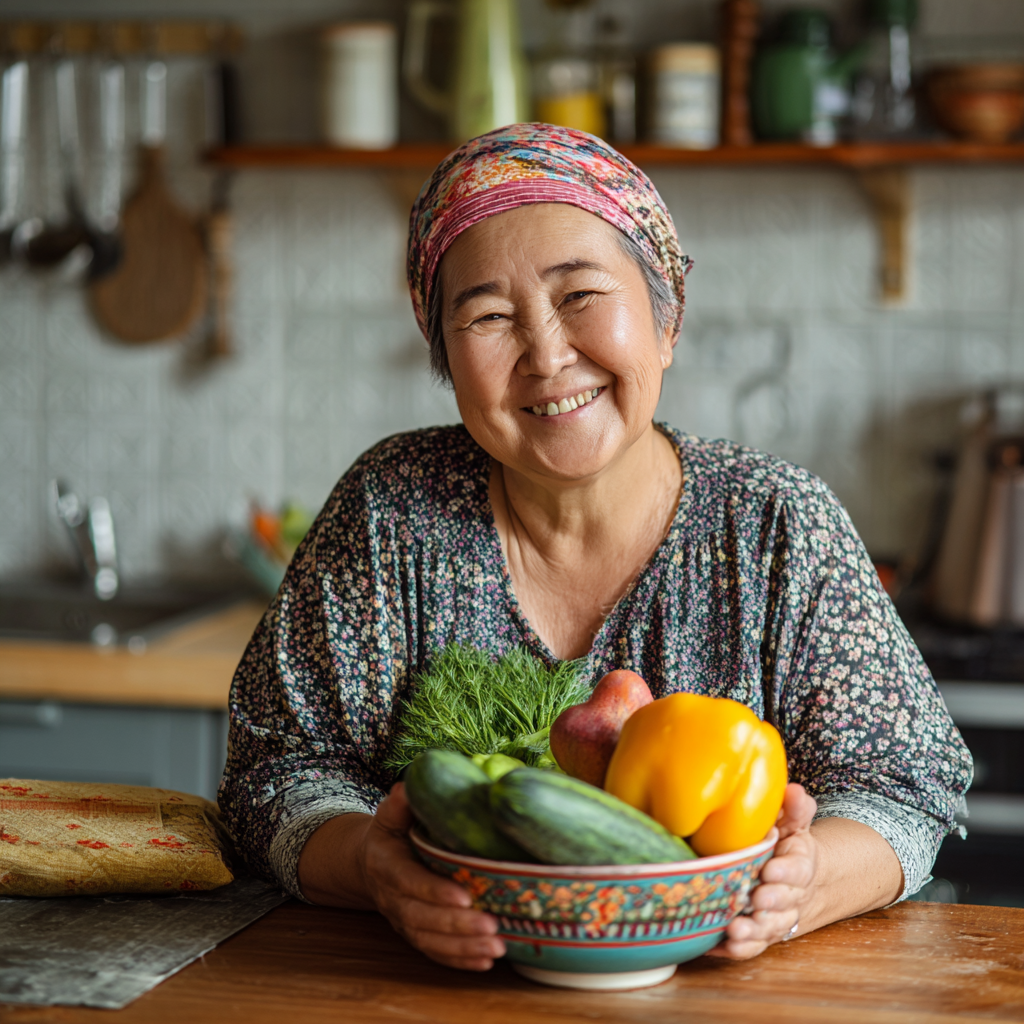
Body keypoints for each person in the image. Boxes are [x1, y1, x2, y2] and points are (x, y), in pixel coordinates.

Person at [220, 123, 971, 971]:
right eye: (489, 316)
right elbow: (271, 776)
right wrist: (373, 869)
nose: (546, 355)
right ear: (444, 358)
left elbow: (906, 787)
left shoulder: (774, 524)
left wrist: (804, 885)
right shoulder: (390, 509)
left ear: (667, 317)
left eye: (580, 296)